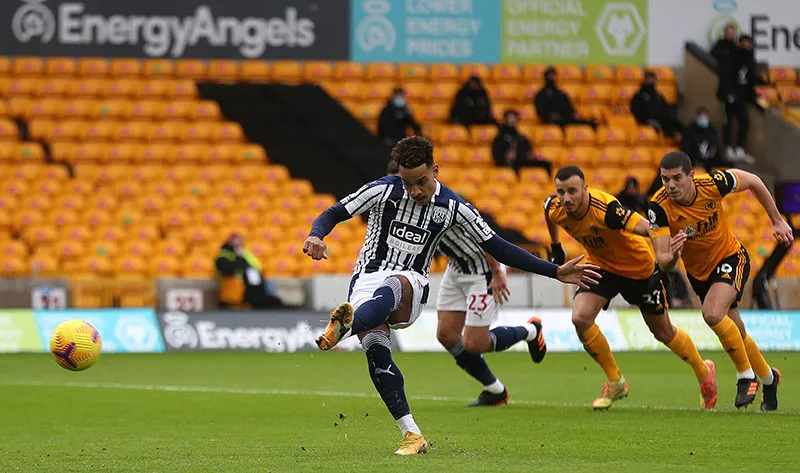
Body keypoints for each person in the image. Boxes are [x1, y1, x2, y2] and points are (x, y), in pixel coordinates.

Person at [302, 136, 600, 455]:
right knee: (378, 353)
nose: (415, 191)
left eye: (421, 182)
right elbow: (334, 212)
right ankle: (412, 434)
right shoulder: (383, 189)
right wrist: (316, 235)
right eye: (408, 183)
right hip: (366, 282)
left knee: (399, 288)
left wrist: (554, 272)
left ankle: (345, 328)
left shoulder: (454, 208)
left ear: (435, 171)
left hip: (412, 282)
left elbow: (499, 247)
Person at [545, 166, 717, 410]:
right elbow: (548, 211)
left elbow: (648, 227)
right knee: (580, 317)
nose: (566, 198)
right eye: (561, 192)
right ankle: (616, 381)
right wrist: (555, 246)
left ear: (585, 189)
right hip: (602, 266)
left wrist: (663, 258)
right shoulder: (555, 207)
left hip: (639, 268)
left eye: (572, 191)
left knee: (663, 332)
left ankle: (704, 371)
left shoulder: (606, 210)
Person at [386, 160, 547, 407]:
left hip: (483, 270)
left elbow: (486, 236)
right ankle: (495, 390)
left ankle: (531, 331)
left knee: (474, 343)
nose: (407, 190)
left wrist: (496, 271)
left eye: (407, 183)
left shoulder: (448, 205)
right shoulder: (408, 206)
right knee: (447, 335)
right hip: (456, 269)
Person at [649, 151, 792, 410]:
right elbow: (663, 260)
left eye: (677, 178)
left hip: (730, 257)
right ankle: (770, 378)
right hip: (699, 274)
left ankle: (745, 375)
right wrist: (675, 255)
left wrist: (777, 220)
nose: (671, 185)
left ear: (691, 175)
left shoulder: (713, 183)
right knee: (737, 332)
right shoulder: (658, 207)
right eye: (665, 179)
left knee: (712, 313)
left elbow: (754, 181)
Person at [715, 34, 758, 163]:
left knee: (744, 121)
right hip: (729, 96)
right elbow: (726, 76)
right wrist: (727, 93)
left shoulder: (750, 59)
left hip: (742, 97)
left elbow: (751, 79)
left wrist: (753, 96)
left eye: (748, 43)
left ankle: (740, 148)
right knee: (728, 122)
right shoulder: (732, 57)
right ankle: (728, 148)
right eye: (744, 42)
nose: (746, 45)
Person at [215, 234, 283, 309]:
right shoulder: (223, 257)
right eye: (235, 243)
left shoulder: (246, 253)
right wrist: (239, 257)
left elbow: (257, 267)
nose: (238, 245)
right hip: (233, 291)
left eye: (239, 243)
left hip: (249, 289)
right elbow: (229, 270)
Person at [491, 109, 551, 176]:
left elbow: (528, 151)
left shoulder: (521, 137)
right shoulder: (499, 138)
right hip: (509, 164)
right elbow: (495, 155)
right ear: (505, 119)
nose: (512, 120)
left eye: (514, 118)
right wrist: (505, 157)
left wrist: (529, 155)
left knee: (545, 164)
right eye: (510, 118)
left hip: (522, 162)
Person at [630, 72, 680, 137]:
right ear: (645, 80)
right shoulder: (639, 95)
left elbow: (666, 109)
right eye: (649, 79)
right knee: (658, 127)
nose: (651, 81)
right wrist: (644, 120)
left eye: (652, 79)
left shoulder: (659, 96)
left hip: (662, 120)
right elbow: (635, 110)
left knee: (678, 125)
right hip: (648, 120)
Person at [681, 107, 726, 172]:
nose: (704, 120)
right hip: (695, 163)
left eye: (705, 118)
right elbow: (686, 149)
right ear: (696, 118)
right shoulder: (689, 131)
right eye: (701, 118)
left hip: (711, 162)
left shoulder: (713, 131)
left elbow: (718, 147)